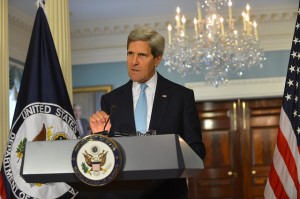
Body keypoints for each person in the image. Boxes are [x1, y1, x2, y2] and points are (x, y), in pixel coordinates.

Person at [89, 26, 206, 199]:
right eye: (130, 54)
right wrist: (100, 136)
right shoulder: (111, 100)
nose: (133, 61)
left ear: (157, 59)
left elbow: (197, 150)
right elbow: (105, 154)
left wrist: (168, 153)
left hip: (168, 192)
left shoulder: (181, 97)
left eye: (142, 55)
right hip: (123, 193)